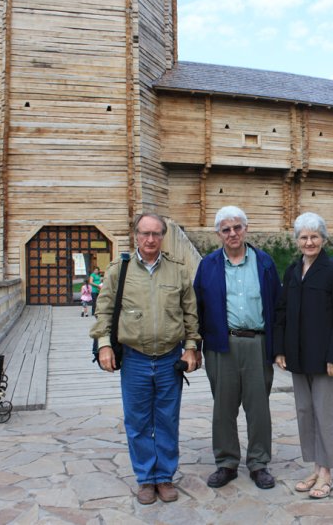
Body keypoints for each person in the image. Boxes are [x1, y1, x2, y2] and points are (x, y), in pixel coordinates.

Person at [90, 213, 200, 505]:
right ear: (135, 235)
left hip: (169, 359)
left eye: (156, 234)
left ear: (163, 236)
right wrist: (104, 345)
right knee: (137, 422)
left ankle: (164, 477)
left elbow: (190, 313)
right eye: (144, 233)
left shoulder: (177, 271)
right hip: (135, 359)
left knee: (167, 420)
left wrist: (191, 347)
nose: (150, 239)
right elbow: (104, 309)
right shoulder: (119, 270)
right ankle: (145, 478)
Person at [193, 206, 282, 490]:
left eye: (237, 227)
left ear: (246, 229)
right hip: (221, 344)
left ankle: (259, 463)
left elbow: (278, 307)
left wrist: (278, 347)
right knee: (223, 407)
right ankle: (226, 463)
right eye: (226, 229)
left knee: (258, 408)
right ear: (218, 234)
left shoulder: (264, 263)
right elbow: (197, 308)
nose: (232, 233)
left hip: (257, 343)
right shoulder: (208, 265)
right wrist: (194, 346)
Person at [273, 212, 333, 499]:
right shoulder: (292, 270)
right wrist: (279, 349)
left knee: (326, 414)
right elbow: (282, 311)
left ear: (324, 239)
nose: (309, 242)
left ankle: (326, 473)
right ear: (297, 240)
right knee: (306, 412)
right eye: (304, 237)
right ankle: (316, 468)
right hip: (298, 356)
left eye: (314, 237)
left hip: (325, 358)